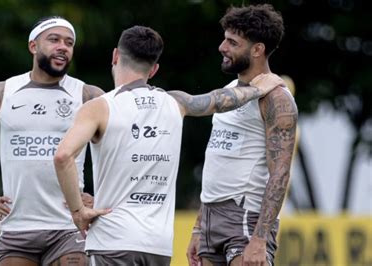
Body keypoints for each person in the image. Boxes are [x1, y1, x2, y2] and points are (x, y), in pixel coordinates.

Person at [54, 25, 284, 265]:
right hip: (158, 247)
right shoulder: (177, 103)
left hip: (113, 241)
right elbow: (219, 100)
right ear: (154, 70)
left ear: (115, 56)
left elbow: (63, 156)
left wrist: (78, 211)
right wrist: (260, 88)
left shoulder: (99, 107)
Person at [0, 16, 104, 266]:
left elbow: (119, 150)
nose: (63, 46)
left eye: (69, 43)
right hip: (17, 228)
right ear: (33, 46)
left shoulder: (88, 96)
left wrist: (103, 195)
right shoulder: (0, 93)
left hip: (69, 227)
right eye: (54, 39)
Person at [186, 4, 298, 266]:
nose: (222, 48)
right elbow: (218, 164)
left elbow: (280, 173)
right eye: (224, 39)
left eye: (232, 42)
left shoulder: (276, 99)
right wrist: (198, 227)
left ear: (257, 49)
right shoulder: (228, 90)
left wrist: (259, 240)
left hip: (245, 218)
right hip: (211, 220)